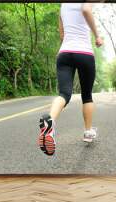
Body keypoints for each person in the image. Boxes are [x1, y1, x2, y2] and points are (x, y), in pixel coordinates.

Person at [38, 3, 103, 156]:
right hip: (84, 53)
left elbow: (62, 34)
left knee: (64, 94)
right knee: (86, 95)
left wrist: (63, 50)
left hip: (64, 53)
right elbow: (86, 10)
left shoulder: (63, 6)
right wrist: (97, 35)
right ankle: (88, 131)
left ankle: (50, 122)